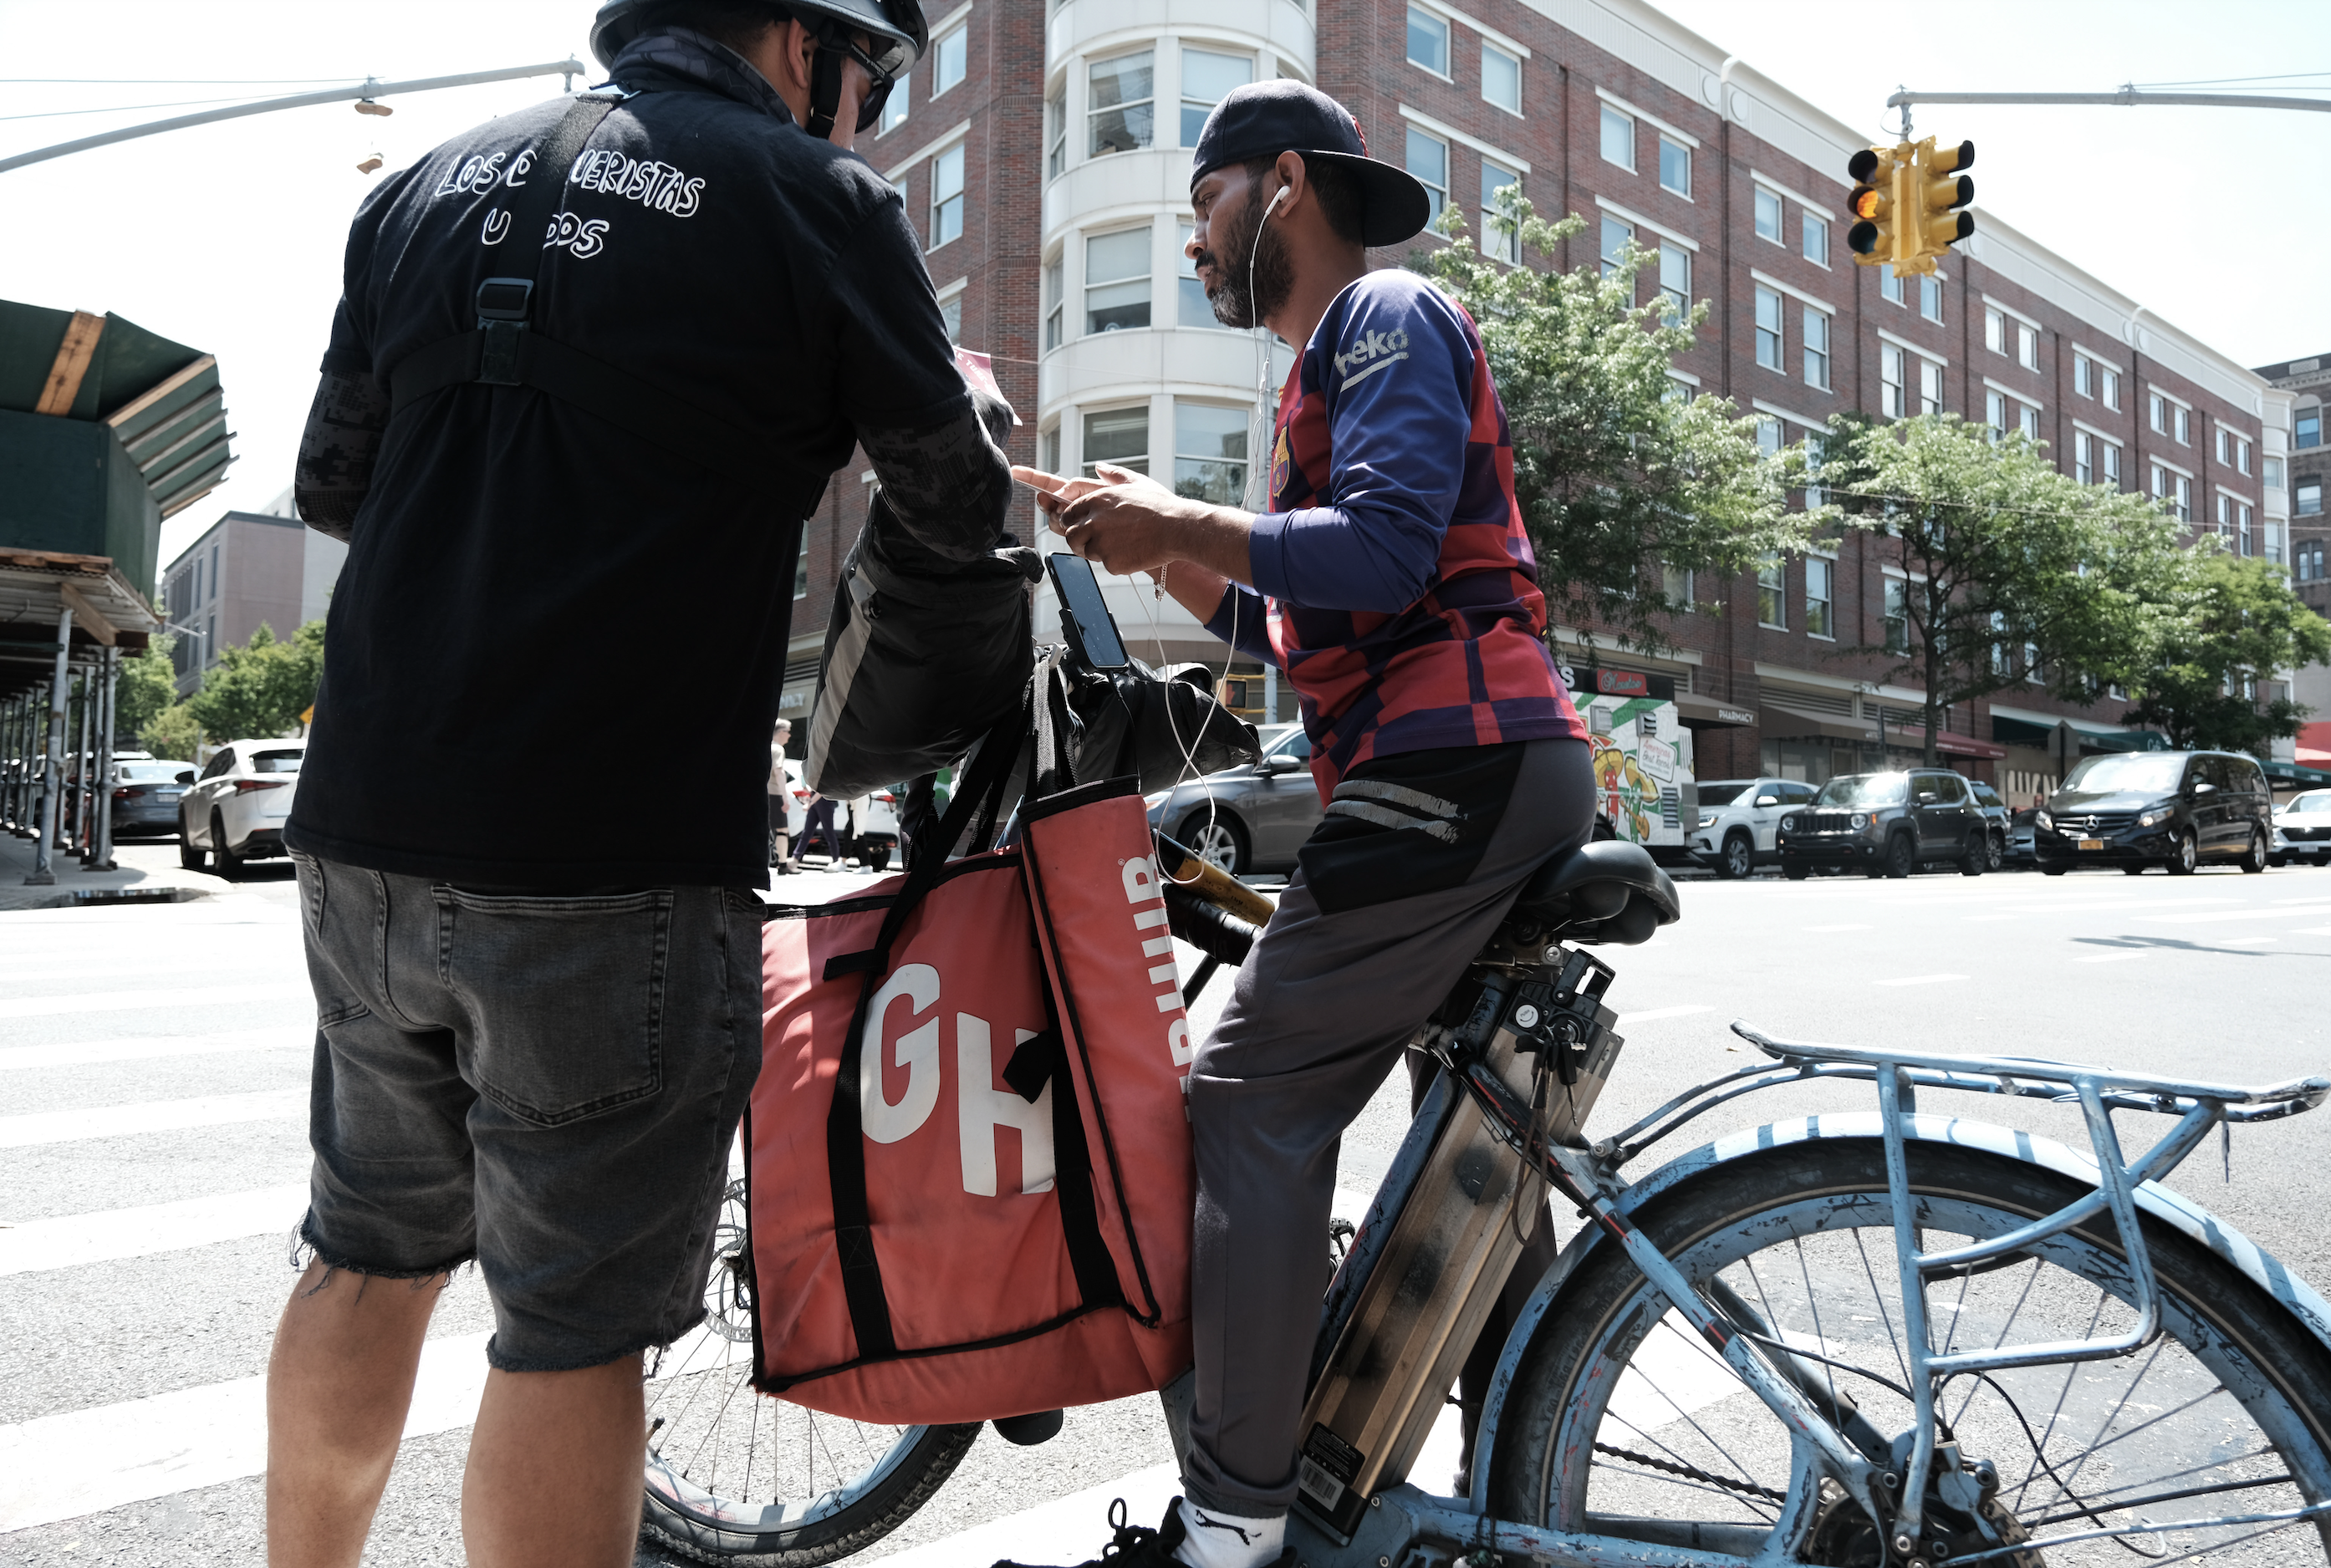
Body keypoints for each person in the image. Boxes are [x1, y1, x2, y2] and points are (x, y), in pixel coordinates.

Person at [270, 0, 1014, 1562]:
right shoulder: (816, 204)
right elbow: (955, 506)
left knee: (362, 1255)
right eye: (869, 76)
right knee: (570, 1327)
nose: (864, 112)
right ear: (801, 42)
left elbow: (333, 479)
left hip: (362, 828)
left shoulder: (419, 190)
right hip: (609, 848)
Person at [1010, 81, 1595, 1568]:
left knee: (1246, 1099)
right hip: (1468, 757)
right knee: (1477, 1138)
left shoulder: (1383, 313)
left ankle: (1234, 1526)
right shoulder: (1321, 369)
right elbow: (1302, 624)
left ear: (1280, 186)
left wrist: (1180, 523)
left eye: (1200, 210)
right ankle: (1520, 1491)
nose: (1194, 251)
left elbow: (1387, 548)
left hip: (1448, 763)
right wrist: (1152, 552)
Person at [771, 717, 798, 873]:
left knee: (764, 828)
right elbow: (779, 771)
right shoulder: (778, 750)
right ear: (781, 732)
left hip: (762, 792)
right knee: (782, 830)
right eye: (788, 732)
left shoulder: (765, 746)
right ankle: (782, 865)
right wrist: (785, 797)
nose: (789, 736)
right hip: (774, 793)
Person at [802, 790, 844, 866]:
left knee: (829, 832)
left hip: (824, 800)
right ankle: (795, 857)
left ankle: (836, 860)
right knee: (807, 831)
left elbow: (822, 789)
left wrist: (810, 803)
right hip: (814, 798)